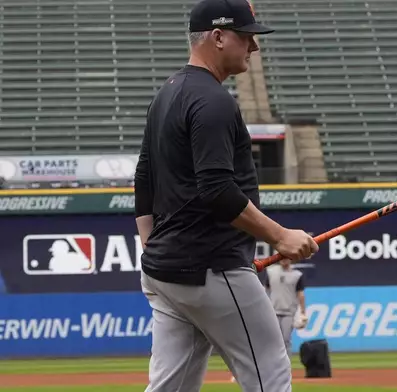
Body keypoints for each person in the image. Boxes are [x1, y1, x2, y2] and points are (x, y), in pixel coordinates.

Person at [133, 0, 319, 391]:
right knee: (270, 372)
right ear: (218, 37)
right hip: (211, 267)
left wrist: (151, 244)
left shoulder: (167, 93)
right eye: (247, 37)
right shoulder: (214, 100)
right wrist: (281, 236)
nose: (254, 47)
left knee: (170, 386)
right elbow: (217, 190)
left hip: (165, 270)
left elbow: (143, 178)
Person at [265, 259, 308, 354]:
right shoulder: (271, 271)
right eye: (282, 257)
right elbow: (266, 290)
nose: (284, 259)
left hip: (289, 312)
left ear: (291, 259)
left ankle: (285, 367)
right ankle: (274, 365)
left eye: (286, 257)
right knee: (273, 340)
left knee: (285, 339)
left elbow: (300, 294)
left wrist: (303, 312)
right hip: (273, 311)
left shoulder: (297, 275)